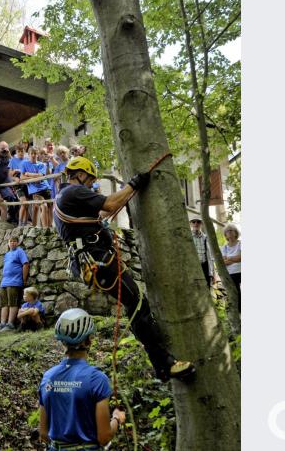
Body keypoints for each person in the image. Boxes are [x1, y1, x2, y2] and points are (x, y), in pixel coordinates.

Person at [52, 156, 194, 382]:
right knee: (137, 303)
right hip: (98, 261)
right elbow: (109, 204)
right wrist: (133, 184)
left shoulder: (64, 196)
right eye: (90, 180)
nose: (92, 184)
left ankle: (161, 363)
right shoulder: (74, 191)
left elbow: (102, 213)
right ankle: (165, 364)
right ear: (79, 174)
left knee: (134, 302)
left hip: (94, 262)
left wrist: (126, 195)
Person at [39, 308, 126, 450]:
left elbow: (43, 434)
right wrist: (117, 418)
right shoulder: (97, 379)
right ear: (88, 341)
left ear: (63, 342)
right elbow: (104, 437)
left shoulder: (48, 377)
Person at [0, 236, 30, 333]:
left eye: (15, 241)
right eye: (11, 241)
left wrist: (24, 279)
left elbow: (26, 264)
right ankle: (2, 324)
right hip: (4, 283)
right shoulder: (7, 254)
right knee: (4, 304)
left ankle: (10, 324)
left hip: (15, 282)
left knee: (12, 303)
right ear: (8, 243)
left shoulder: (20, 251)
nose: (12, 243)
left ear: (18, 243)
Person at [0, 140, 19, 225]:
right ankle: (11, 219)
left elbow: (16, 166)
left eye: (5, 148)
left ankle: (12, 218)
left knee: (17, 201)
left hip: (9, 184)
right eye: (2, 148)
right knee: (10, 198)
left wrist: (9, 154)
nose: (4, 151)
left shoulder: (8, 157)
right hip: (0, 185)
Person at [22, 147, 53, 228]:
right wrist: (33, 178)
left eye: (35, 153)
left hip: (46, 188)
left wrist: (28, 174)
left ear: (37, 154)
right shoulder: (24, 164)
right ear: (28, 155)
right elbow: (22, 177)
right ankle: (45, 229)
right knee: (43, 206)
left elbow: (41, 176)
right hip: (35, 191)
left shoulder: (42, 164)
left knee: (49, 208)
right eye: (31, 153)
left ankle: (50, 227)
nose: (33, 155)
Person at [9, 143, 31, 227]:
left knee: (26, 204)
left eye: (22, 151)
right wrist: (15, 178)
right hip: (17, 185)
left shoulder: (27, 160)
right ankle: (20, 224)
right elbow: (9, 174)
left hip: (26, 183)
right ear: (16, 152)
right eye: (19, 151)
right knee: (23, 202)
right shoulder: (13, 160)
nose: (20, 153)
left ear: (24, 151)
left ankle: (25, 223)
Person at [221, 223, 242, 312]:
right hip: (231, 273)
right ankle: (240, 311)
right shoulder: (224, 247)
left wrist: (229, 258)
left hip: (241, 271)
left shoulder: (240, 244)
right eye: (227, 231)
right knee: (236, 292)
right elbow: (223, 262)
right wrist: (236, 259)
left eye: (231, 230)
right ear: (225, 235)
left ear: (235, 233)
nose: (229, 232)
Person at [189, 218, 213, 286]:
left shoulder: (206, 238)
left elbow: (210, 256)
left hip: (205, 267)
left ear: (201, 224)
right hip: (192, 267)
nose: (196, 224)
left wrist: (211, 273)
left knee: (207, 287)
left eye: (198, 222)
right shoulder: (188, 237)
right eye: (193, 222)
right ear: (190, 224)